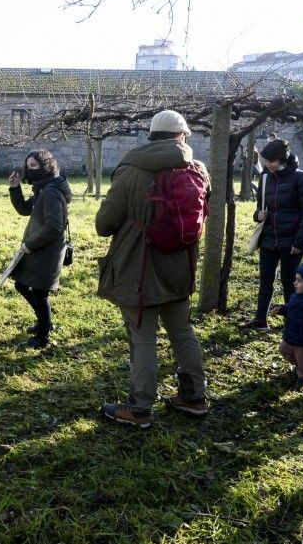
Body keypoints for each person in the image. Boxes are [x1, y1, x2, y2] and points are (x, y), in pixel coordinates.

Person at [95, 109, 211, 429]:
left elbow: (104, 225)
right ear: (182, 136)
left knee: (143, 337)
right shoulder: (197, 169)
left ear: (151, 136)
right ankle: (194, 397)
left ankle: (140, 408)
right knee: (182, 332)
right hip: (180, 267)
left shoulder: (132, 168)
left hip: (139, 268)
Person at [243, 139, 303, 332]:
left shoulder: (301, 179)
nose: (268, 165)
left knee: (289, 282)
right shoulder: (265, 178)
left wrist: (300, 241)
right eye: (267, 161)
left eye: (272, 161)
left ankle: (293, 321)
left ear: (283, 159)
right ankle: (261, 320)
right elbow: (259, 209)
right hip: (268, 239)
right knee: (265, 280)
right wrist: (257, 215)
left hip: (292, 241)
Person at [8, 150, 73, 349]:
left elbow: (54, 226)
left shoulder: (51, 192)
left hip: (48, 251)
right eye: (28, 166)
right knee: (22, 284)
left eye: (34, 166)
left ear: (46, 167)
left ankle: (43, 335)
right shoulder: (43, 188)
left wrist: (30, 244)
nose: (29, 169)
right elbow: (24, 210)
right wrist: (15, 188)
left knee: (39, 292)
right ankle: (43, 323)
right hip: (39, 248)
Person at [271, 263, 303, 388]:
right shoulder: (295, 296)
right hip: (291, 334)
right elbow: (290, 308)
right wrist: (281, 309)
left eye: (299, 281)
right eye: (295, 280)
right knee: (283, 349)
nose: (295, 283)